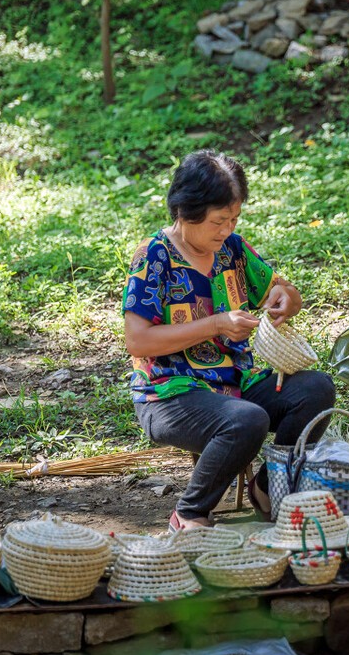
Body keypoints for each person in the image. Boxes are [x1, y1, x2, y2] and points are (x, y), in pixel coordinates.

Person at [122, 150, 335, 530]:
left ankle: (268, 487)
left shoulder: (232, 249)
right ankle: (190, 512)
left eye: (233, 219)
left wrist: (287, 299)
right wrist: (217, 324)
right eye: (219, 221)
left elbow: (283, 289)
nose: (226, 230)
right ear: (186, 211)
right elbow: (139, 342)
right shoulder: (154, 257)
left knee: (316, 389)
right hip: (171, 392)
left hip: (237, 382)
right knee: (247, 420)